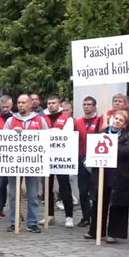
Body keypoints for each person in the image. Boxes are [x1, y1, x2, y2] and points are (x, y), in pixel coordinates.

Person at [86, 110, 129, 242]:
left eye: (121, 120)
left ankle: (113, 233)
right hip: (102, 173)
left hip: (118, 174)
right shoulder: (101, 134)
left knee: (117, 204)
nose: (117, 121)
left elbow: (127, 151)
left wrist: (111, 145)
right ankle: (95, 230)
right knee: (99, 202)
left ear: (124, 124)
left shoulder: (127, 136)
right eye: (116, 118)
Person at [4, 95, 50, 233]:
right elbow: (2, 139)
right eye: (18, 102)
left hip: (33, 163)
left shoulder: (39, 120)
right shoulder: (11, 120)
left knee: (33, 194)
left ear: (30, 104)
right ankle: (15, 221)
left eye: (23, 102)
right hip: (14, 163)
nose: (20, 105)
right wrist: (12, 133)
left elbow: (46, 138)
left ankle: (32, 222)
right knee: (13, 194)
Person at [44, 95, 75, 228]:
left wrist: (51, 132)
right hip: (46, 156)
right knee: (47, 187)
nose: (51, 105)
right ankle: (49, 215)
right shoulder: (42, 117)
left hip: (62, 156)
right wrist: (53, 132)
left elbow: (68, 135)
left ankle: (69, 217)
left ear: (59, 104)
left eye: (53, 103)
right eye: (49, 103)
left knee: (64, 186)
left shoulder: (67, 118)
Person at [74, 97, 103, 227]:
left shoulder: (100, 121)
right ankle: (86, 216)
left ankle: (97, 217)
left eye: (89, 104)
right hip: (81, 158)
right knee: (83, 190)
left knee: (96, 190)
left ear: (95, 106)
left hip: (96, 159)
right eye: (84, 104)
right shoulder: (78, 122)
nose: (86, 107)